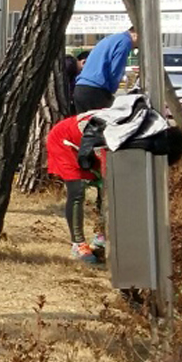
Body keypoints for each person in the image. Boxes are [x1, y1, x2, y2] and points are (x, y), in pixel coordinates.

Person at [45, 111, 109, 264]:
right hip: (65, 142)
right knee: (77, 191)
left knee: (107, 189)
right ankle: (78, 244)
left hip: (90, 144)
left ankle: (101, 237)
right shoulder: (107, 129)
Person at [73, 26, 136, 112]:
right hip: (96, 89)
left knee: (84, 120)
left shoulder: (112, 39)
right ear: (136, 34)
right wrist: (111, 90)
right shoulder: (125, 41)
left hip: (80, 87)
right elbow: (116, 69)